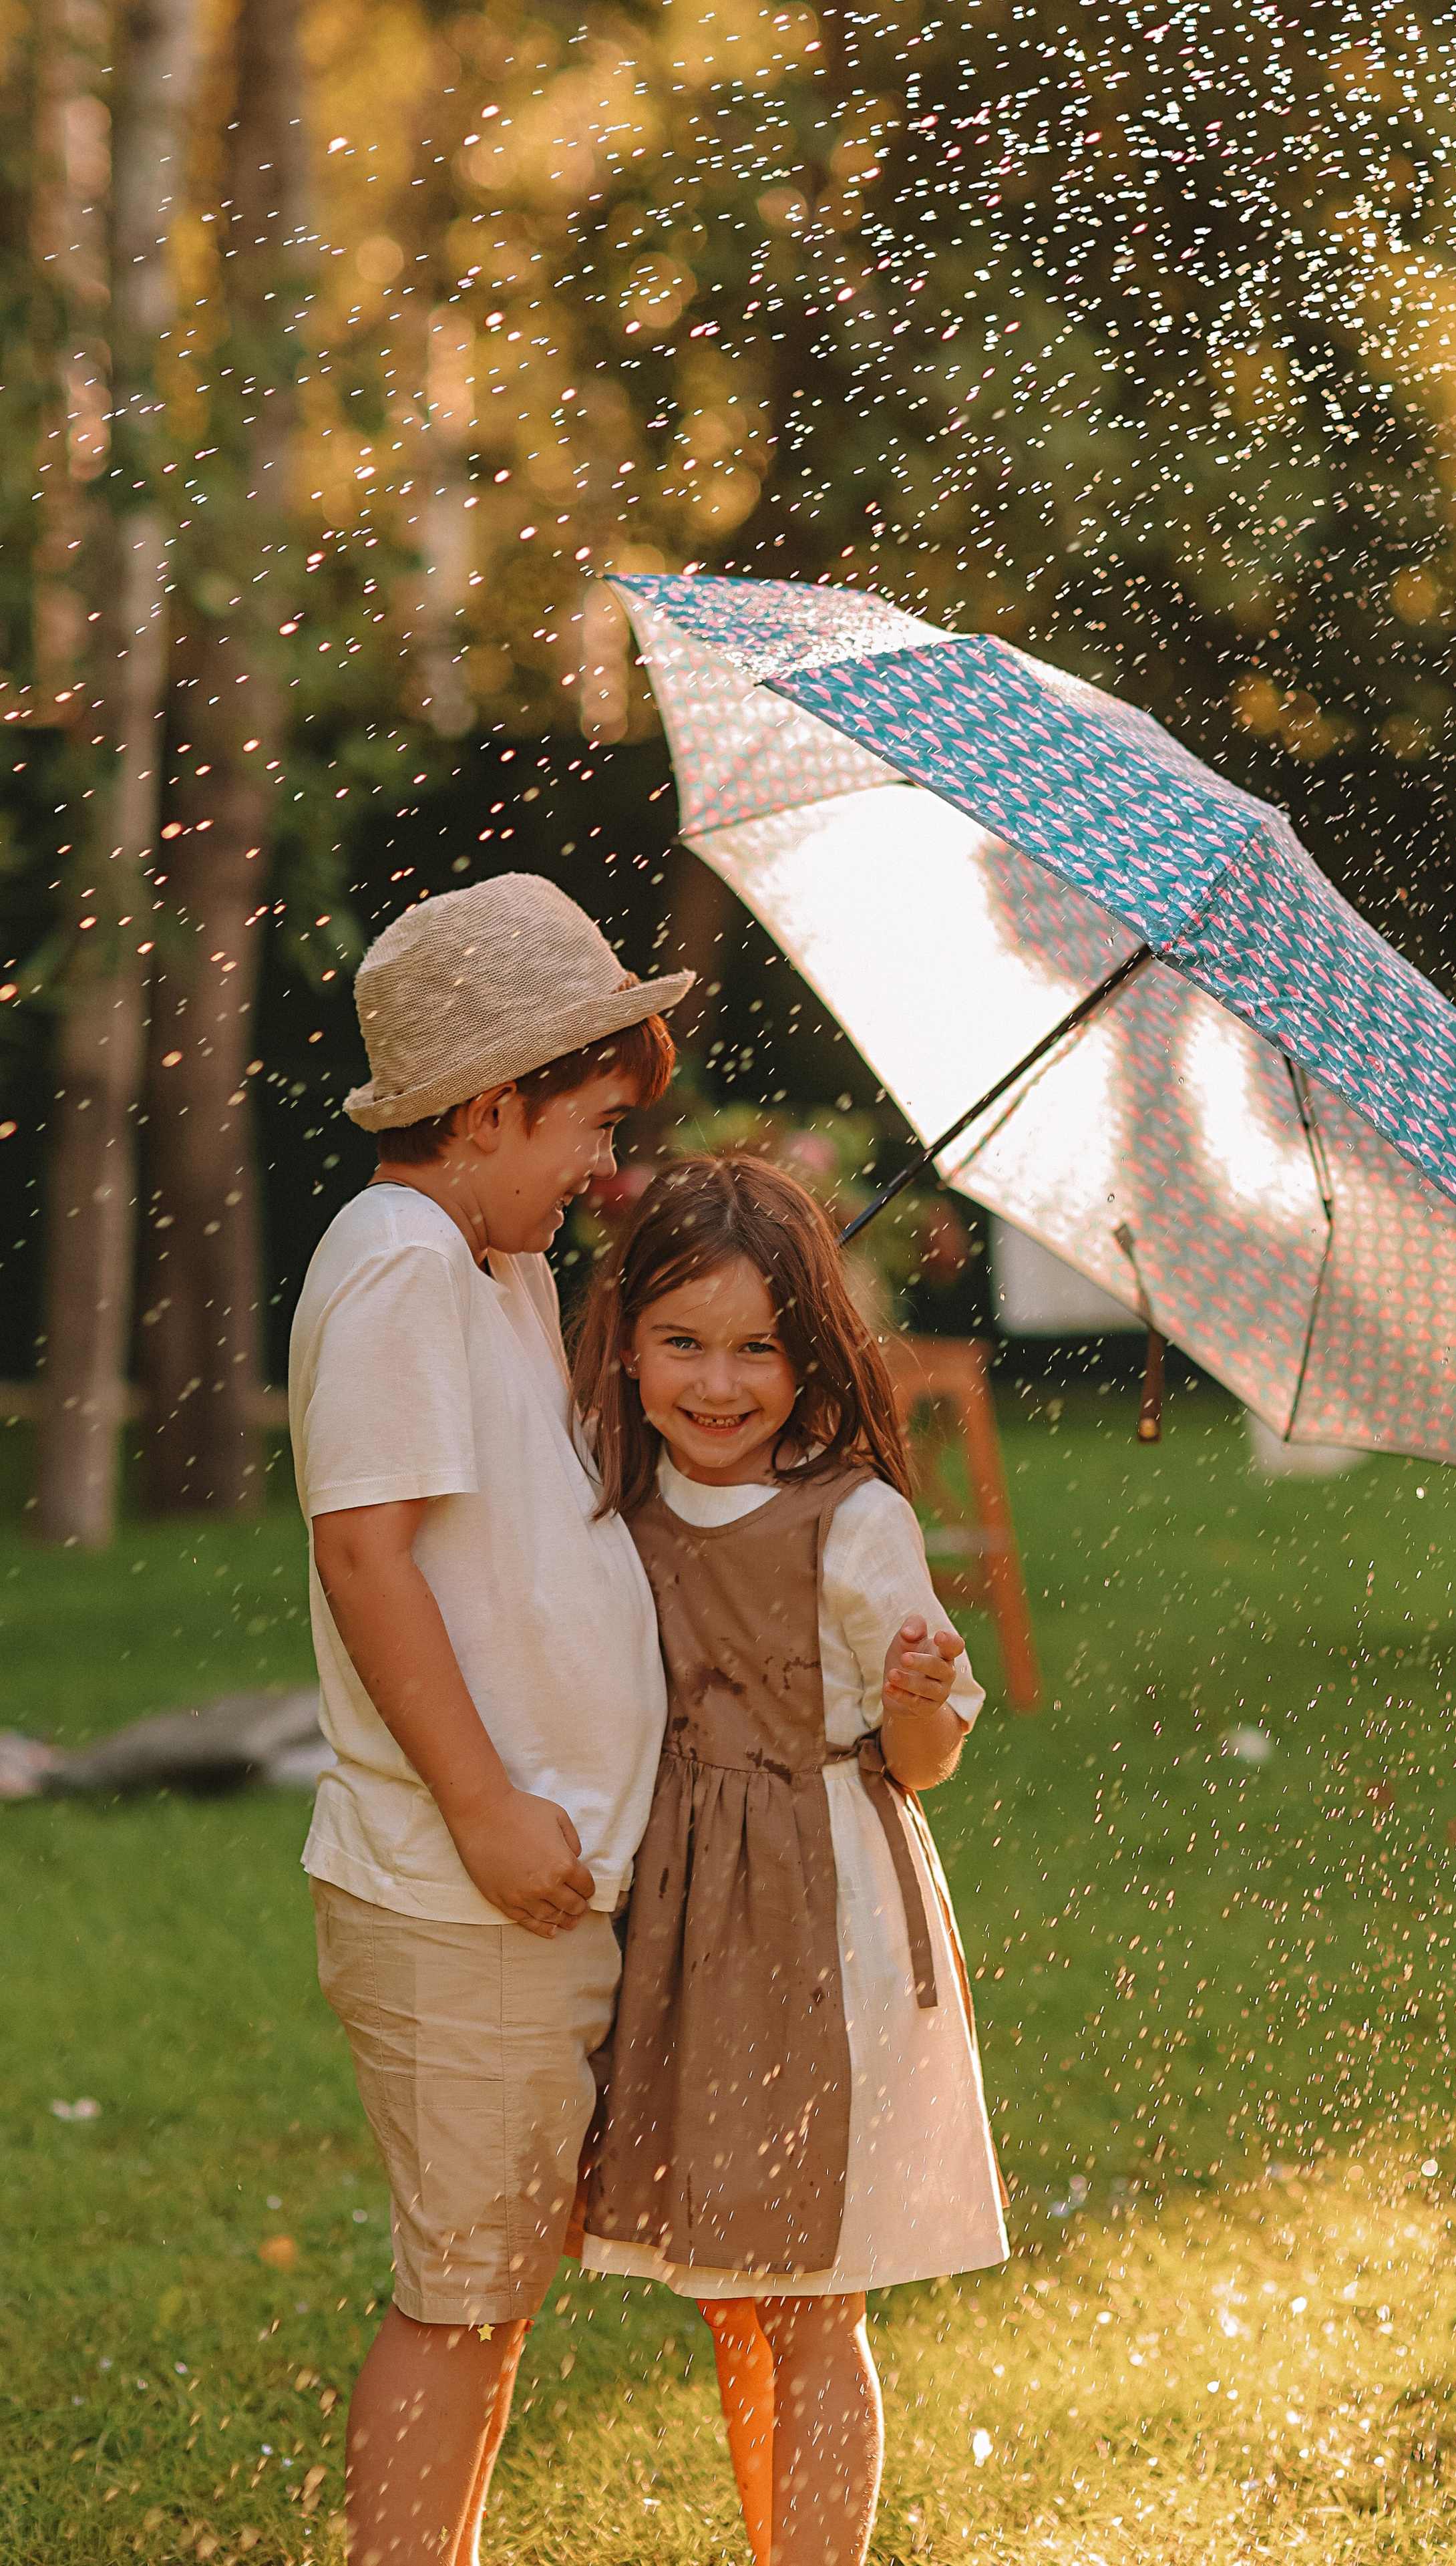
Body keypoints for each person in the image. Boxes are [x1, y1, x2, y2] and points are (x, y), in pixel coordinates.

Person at [288, 872, 695, 2566]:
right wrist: (477, 1801)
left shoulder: (487, 1258)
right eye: (584, 1129)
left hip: (530, 1883)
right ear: (483, 1108)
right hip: (463, 1889)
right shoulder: (396, 1263)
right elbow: (367, 1554)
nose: (599, 1169)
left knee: (495, 2284)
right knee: (460, 2294)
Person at [574, 1154, 1009, 2566]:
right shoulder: (612, 1507)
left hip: (829, 1931)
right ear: (626, 1342)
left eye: (758, 1345)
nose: (718, 1381)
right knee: (730, 2287)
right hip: (687, 1935)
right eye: (683, 1340)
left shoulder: (854, 1518)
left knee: (817, 2292)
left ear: (807, 1349)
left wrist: (912, 1700)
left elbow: (925, 1756)